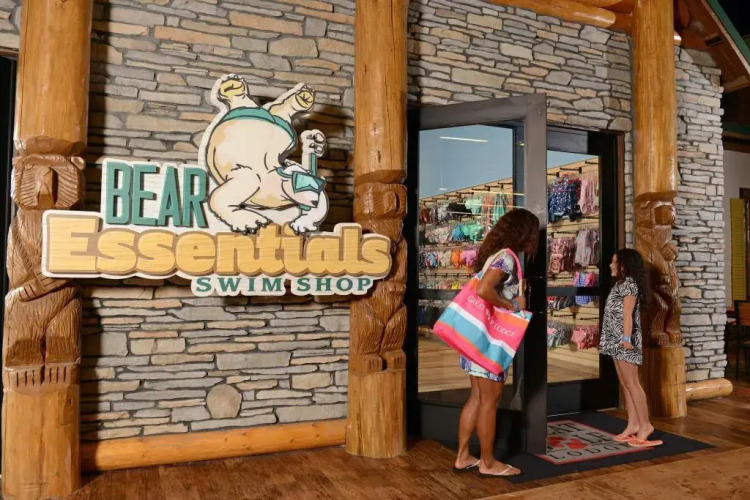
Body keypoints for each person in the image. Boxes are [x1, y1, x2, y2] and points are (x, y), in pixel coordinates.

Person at [453, 208, 539, 477]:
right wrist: (513, 305)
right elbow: (484, 289)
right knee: (489, 402)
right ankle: (488, 463)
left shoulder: (493, 255)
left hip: (476, 338)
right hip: (491, 342)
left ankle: (463, 456)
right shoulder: (508, 259)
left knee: (477, 398)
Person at [599, 248, 663, 448]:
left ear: (624, 266)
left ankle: (646, 425)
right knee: (625, 382)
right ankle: (633, 423)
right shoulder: (621, 284)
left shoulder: (629, 285)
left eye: (614, 262)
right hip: (614, 340)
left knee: (632, 383)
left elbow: (628, 313)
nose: (610, 265)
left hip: (624, 340)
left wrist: (626, 339)